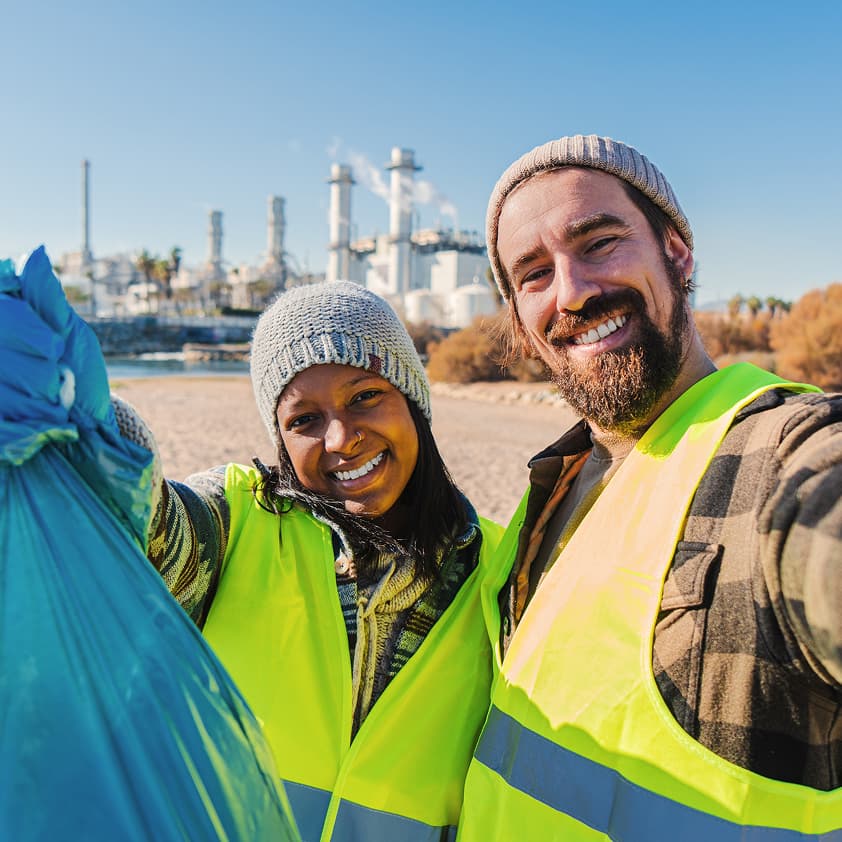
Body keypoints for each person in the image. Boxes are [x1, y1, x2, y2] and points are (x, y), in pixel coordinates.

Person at [456, 135, 842, 839]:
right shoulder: (550, 490)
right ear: (517, 318)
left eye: (599, 242)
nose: (571, 291)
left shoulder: (776, 453)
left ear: (677, 251)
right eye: (534, 273)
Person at [128, 279, 504, 841]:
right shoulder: (238, 520)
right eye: (303, 419)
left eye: (365, 397)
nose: (340, 438)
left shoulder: (498, 566)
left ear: (414, 400)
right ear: (279, 439)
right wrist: (101, 440)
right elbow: (153, 528)